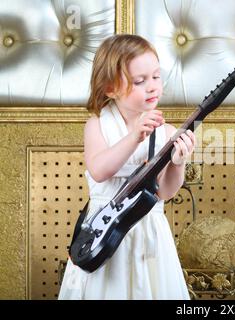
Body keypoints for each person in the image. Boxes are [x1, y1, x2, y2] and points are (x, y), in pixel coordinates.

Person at [59, 34, 195, 299]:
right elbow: (100, 170)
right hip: (103, 232)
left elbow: (165, 192)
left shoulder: (165, 131)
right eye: (140, 81)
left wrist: (178, 163)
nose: (153, 87)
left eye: (156, 76)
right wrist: (134, 136)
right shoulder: (97, 125)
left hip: (148, 235)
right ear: (110, 88)